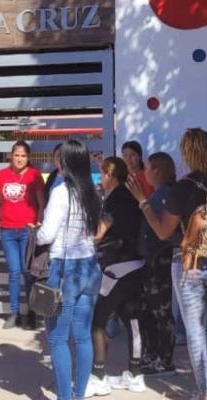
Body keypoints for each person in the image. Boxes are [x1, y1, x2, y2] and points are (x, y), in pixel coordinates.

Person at [131, 128, 207, 400]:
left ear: (186, 154)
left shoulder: (182, 188)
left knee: (196, 331)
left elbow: (162, 231)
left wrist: (143, 202)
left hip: (189, 265)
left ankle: (205, 394)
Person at [36, 140, 104, 400]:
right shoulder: (92, 192)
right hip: (89, 266)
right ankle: (78, 394)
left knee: (57, 338)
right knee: (83, 336)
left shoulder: (61, 192)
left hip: (66, 270)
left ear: (64, 163)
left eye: (59, 158)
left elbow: (47, 234)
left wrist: (37, 232)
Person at [89, 157, 148, 394]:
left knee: (97, 321)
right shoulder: (130, 196)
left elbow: (99, 233)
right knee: (132, 319)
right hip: (137, 264)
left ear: (110, 175)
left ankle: (98, 375)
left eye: (102, 174)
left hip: (117, 266)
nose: (100, 179)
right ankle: (135, 374)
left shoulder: (114, 200)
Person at [0, 140, 46, 330]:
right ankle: (14, 313)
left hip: (27, 231)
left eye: (23, 155)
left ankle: (31, 314)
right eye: (16, 155)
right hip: (7, 230)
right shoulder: (2, 175)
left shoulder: (34, 175)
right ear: (10, 156)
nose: (19, 158)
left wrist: (38, 223)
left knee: (27, 272)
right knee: (13, 272)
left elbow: (41, 202)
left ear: (28, 158)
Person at [131, 152, 179, 376]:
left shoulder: (167, 195)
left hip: (161, 261)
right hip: (150, 261)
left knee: (161, 311)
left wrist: (142, 202)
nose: (145, 172)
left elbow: (162, 231)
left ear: (158, 171)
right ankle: (152, 354)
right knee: (148, 309)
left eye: (148, 168)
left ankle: (166, 360)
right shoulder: (158, 194)